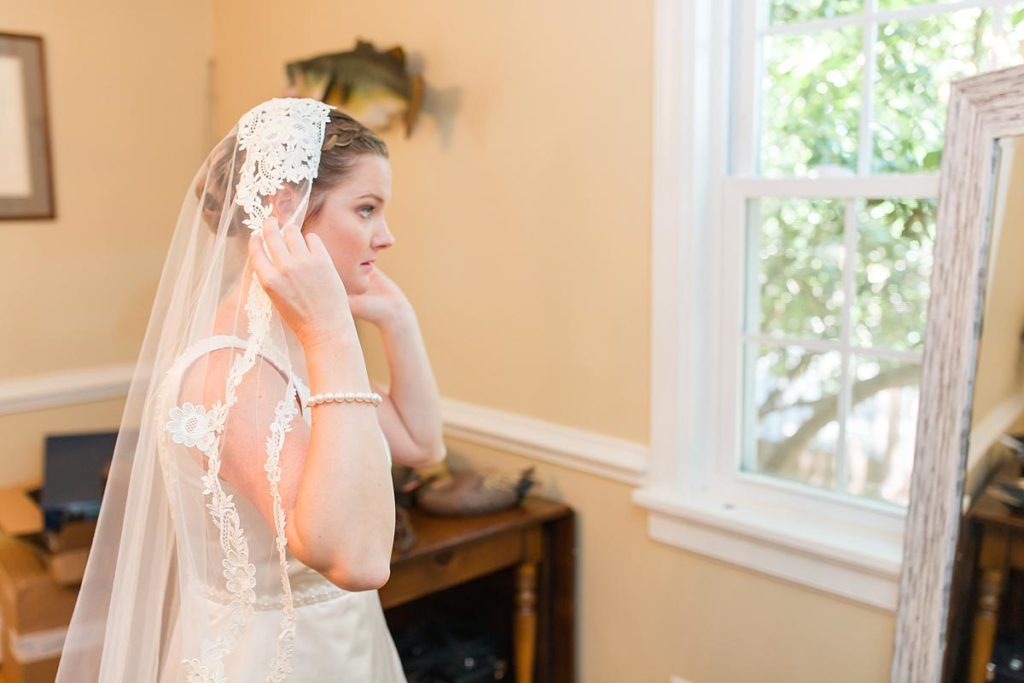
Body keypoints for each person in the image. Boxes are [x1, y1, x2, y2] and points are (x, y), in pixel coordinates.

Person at [56, 98, 445, 682]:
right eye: (366, 209)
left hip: (347, 643)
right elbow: (358, 560)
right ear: (285, 209)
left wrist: (398, 319)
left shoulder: (297, 342)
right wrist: (333, 331)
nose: (385, 237)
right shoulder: (231, 373)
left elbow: (421, 444)